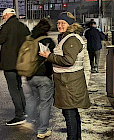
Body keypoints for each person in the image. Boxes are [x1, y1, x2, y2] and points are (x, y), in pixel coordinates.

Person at [39, 12, 91, 140]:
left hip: (70, 83)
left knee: (69, 113)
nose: (59, 25)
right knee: (72, 112)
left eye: (63, 23)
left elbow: (68, 61)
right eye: (58, 23)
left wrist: (49, 56)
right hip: (68, 82)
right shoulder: (66, 37)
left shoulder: (71, 39)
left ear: (70, 25)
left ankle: (72, 138)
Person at [0, 8, 30, 126]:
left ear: (7, 15)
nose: (3, 18)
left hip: (9, 63)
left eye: (4, 16)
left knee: (13, 89)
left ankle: (19, 115)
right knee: (19, 87)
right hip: (21, 62)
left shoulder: (7, 27)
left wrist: (0, 31)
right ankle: (24, 111)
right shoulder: (23, 26)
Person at [23, 19, 56, 139]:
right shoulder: (47, 41)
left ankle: (29, 121)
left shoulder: (30, 40)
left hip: (30, 75)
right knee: (45, 104)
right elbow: (53, 57)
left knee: (32, 100)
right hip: (43, 77)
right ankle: (42, 130)